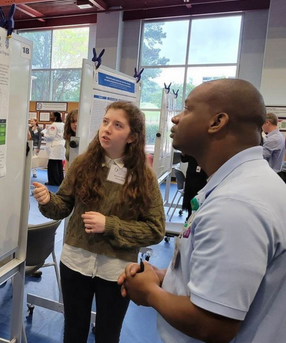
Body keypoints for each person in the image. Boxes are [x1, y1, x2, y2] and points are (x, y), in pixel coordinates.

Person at [118, 79, 286, 343]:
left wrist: (149, 292)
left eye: (187, 109)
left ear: (216, 122)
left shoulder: (236, 205)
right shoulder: (245, 184)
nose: (176, 119)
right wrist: (169, 278)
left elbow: (212, 324)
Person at [33, 102, 165, 343]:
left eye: (117, 125)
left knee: (107, 334)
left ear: (132, 136)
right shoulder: (84, 164)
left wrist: (111, 225)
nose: (107, 129)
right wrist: (47, 200)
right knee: (73, 331)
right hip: (75, 262)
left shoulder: (144, 178)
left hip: (116, 270)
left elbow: (155, 230)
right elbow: (62, 205)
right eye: (105, 122)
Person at [42, 111, 65, 186]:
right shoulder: (63, 124)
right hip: (61, 146)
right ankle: (59, 180)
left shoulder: (54, 125)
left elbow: (51, 136)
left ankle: (53, 181)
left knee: (52, 165)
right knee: (59, 164)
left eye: (51, 115)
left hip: (54, 146)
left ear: (55, 117)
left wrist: (44, 134)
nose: (50, 117)